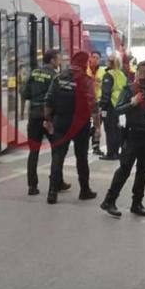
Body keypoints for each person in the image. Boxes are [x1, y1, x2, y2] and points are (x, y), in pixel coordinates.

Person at [101, 61, 145, 217]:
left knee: (143, 170)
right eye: (141, 72)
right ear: (137, 73)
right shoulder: (129, 89)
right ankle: (109, 200)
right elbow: (117, 110)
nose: (143, 75)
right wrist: (132, 103)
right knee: (125, 169)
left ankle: (137, 203)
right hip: (133, 134)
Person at [44, 51, 98, 205]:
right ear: (85, 63)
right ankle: (84, 190)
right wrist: (97, 126)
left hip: (61, 122)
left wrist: (48, 120)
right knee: (81, 157)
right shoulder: (86, 80)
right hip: (80, 124)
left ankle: (52, 192)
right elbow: (93, 104)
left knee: (57, 156)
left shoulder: (58, 78)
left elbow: (49, 100)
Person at [22, 49, 60, 195]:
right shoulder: (54, 76)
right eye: (58, 59)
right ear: (52, 60)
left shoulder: (34, 73)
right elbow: (56, 97)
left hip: (34, 116)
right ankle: (57, 182)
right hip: (48, 117)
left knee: (34, 151)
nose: (59, 62)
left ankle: (32, 186)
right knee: (57, 150)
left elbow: (25, 93)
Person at [99, 54, 128, 161]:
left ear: (110, 63)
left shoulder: (108, 75)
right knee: (116, 129)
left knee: (110, 130)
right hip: (120, 104)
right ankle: (116, 152)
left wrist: (102, 107)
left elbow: (106, 93)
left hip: (110, 105)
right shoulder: (121, 74)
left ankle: (111, 153)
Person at [88, 51, 105, 156]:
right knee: (85, 124)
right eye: (93, 57)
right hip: (86, 102)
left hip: (98, 101)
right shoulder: (85, 70)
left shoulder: (103, 72)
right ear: (90, 58)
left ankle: (96, 146)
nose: (95, 59)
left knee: (97, 125)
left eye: (97, 58)